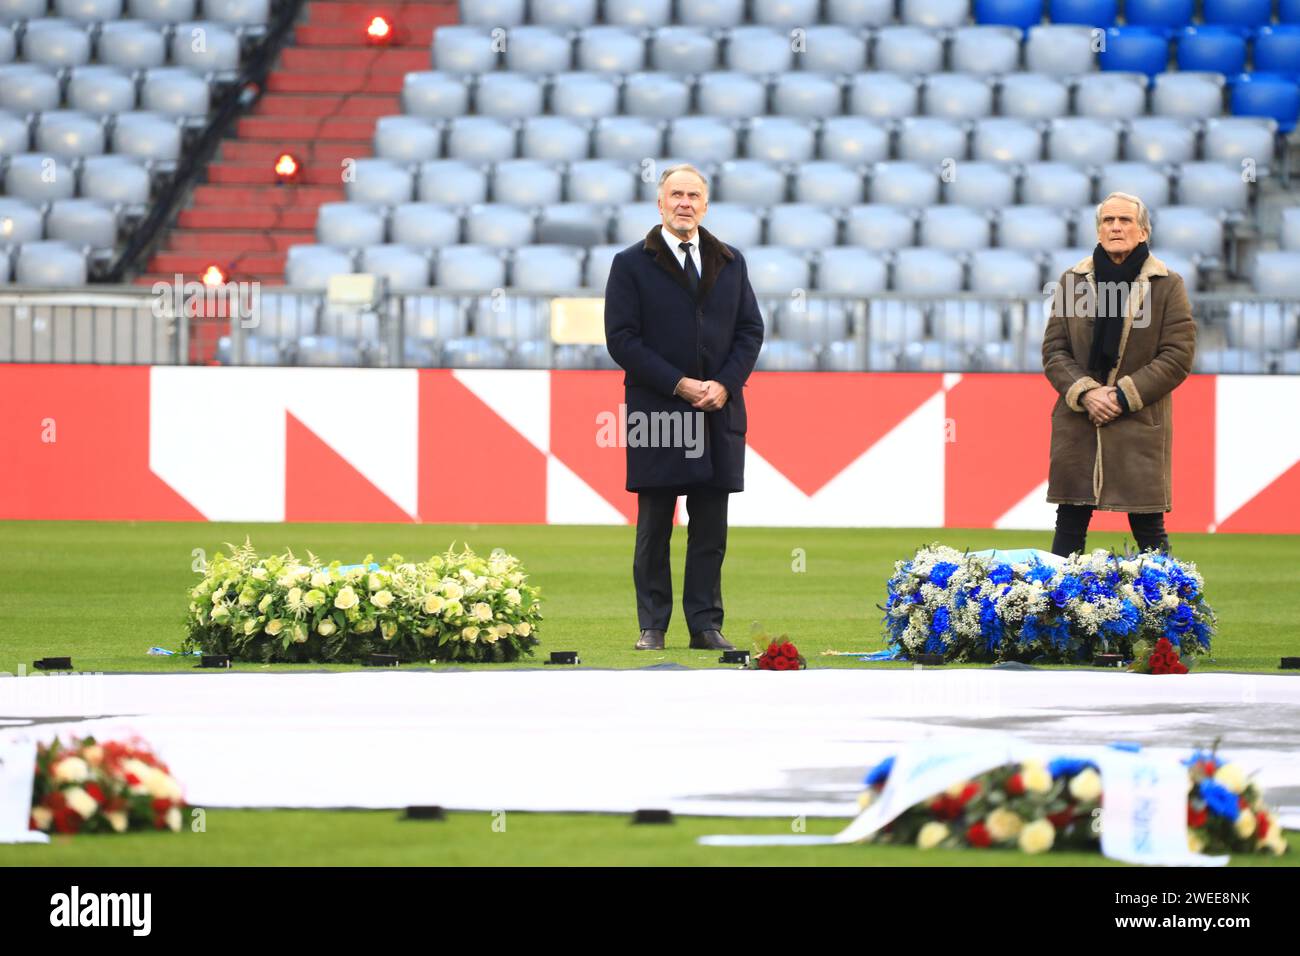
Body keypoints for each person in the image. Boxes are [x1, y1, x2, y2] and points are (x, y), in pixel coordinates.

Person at [603, 164, 764, 651]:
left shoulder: (731, 261)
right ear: (660, 203)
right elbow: (621, 340)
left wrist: (725, 384)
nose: (684, 203)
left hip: (718, 412)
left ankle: (705, 625)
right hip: (657, 413)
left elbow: (749, 331)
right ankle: (652, 625)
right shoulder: (630, 264)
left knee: (710, 527)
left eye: (693, 195)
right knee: (655, 524)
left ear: (705, 204)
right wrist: (679, 384)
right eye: (676, 194)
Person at [1042, 191, 1197, 557]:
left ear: (1143, 232)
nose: (1115, 227)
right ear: (1098, 231)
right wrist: (1087, 393)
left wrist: (1121, 396)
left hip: (1140, 419)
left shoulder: (1167, 284)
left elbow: (1177, 356)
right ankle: (1058, 611)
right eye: (1108, 221)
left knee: (1149, 527)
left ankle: (1170, 611)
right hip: (1079, 418)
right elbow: (1054, 351)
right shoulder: (1073, 281)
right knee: (1069, 521)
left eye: (1125, 220)